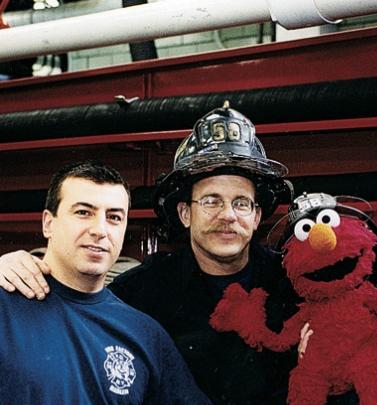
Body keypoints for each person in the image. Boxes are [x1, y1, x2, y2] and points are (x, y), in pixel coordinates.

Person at [0, 104, 298, 404]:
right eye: (211, 201)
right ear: (184, 213)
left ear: (257, 217)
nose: (228, 215)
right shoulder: (141, 293)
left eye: (242, 203)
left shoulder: (299, 284)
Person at [0, 160, 209, 404]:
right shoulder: (5, 305)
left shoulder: (144, 334)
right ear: (48, 223)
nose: (100, 229)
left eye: (114, 217)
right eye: (83, 212)